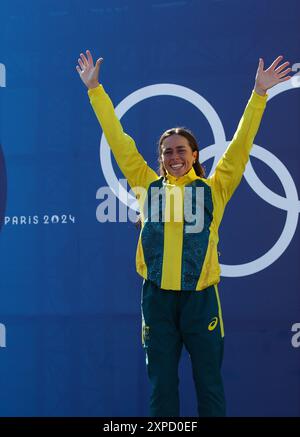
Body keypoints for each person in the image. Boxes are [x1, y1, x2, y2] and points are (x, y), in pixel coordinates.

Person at [76, 51, 292, 417]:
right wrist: (95, 90)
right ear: (159, 158)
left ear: (194, 155)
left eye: (181, 150)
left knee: (209, 384)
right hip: (157, 301)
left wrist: (259, 95)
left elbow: (240, 147)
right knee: (162, 385)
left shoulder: (215, 188)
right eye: (167, 152)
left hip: (201, 300)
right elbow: (119, 141)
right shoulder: (146, 185)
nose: (174, 156)